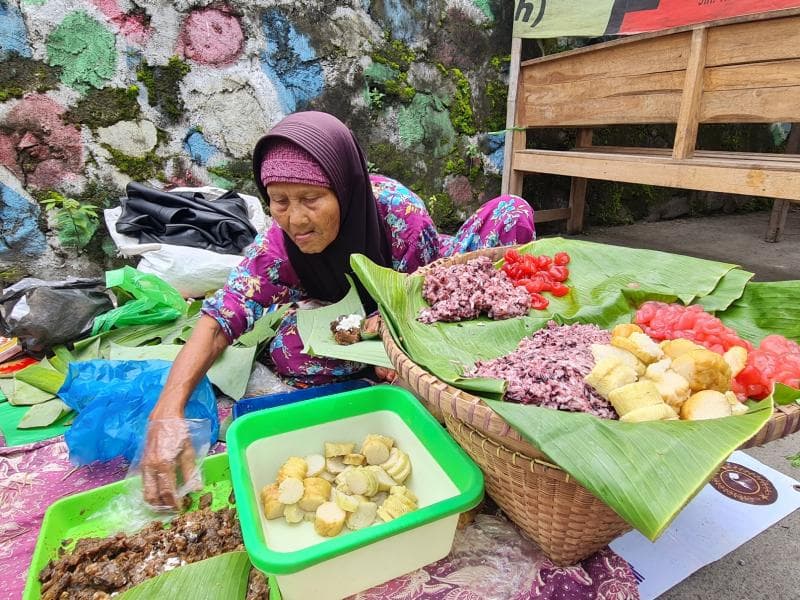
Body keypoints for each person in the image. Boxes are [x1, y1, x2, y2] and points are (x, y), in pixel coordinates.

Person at [142, 111, 534, 507]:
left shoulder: (401, 217)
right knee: (289, 351)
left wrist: (401, 351)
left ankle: (397, 363)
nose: (295, 219)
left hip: (426, 288)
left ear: (344, 191)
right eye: (279, 202)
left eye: (311, 199)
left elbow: (423, 309)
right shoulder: (280, 245)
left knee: (510, 213)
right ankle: (378, 364)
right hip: (354, 315)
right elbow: (221, 317)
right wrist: (167, 410)